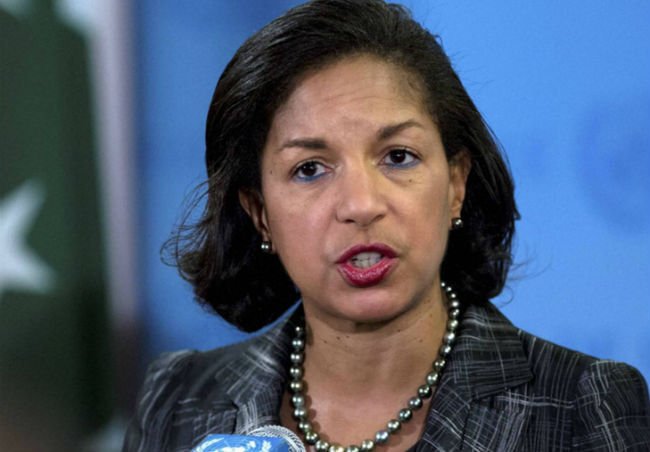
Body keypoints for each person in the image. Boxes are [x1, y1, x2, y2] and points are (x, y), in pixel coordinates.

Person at [122, 1, 650, 451]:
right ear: (260, 214)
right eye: (310, 169)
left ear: (456, 184)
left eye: (398, 156)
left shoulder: (580, 405)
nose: (361, 204)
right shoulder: (177, 399)